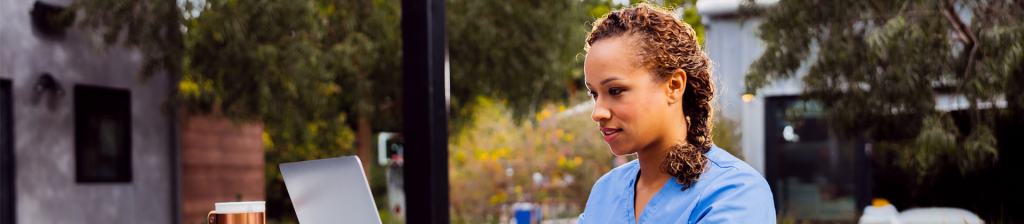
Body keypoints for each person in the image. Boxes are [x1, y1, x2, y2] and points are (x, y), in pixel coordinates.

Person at [578, 4, 776, 223]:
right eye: (594, 94)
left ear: (674, 86)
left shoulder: (735, 193)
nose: (598, 112)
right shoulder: (605, 193)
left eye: (615, 91)